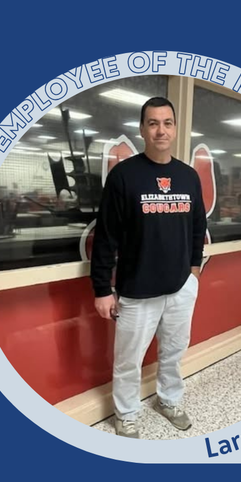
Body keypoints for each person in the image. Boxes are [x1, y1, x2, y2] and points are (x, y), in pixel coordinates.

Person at [90, 97, 207, 439]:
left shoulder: (188, 176)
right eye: (153, 123)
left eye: (167, 123)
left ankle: (169, 400)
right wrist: (102, 289)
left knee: (173, 352)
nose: (160, 130)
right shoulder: (124, 176)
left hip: (181, 287)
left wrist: (194, 269)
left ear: (175, 128)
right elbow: (106, 236)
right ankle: (126, 414)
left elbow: (198, 226)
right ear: (142, 129)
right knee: (128, 360)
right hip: (138, 289)